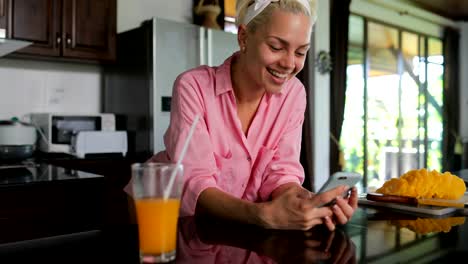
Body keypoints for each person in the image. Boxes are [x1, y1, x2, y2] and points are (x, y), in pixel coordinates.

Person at [149, 0, 358, 231]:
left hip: (243, 230)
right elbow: (194, 182)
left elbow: (282, 173)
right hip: (174, 224)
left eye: (300, 52)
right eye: (276, 47)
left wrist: (306, 202)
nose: (289, 64)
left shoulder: (294, 94)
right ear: (244, 37)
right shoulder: (193, 87)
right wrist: (262, 215)